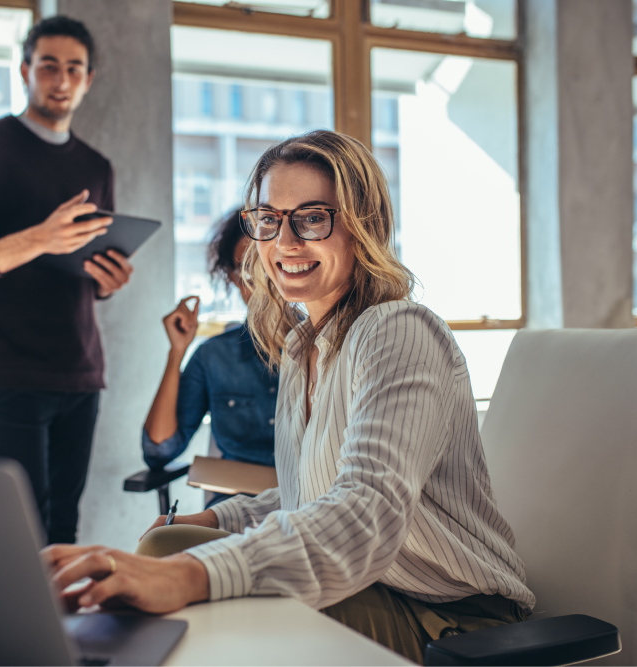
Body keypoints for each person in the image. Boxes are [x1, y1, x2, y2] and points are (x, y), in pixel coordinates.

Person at [42, 130, 534, 665]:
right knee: (166, 545)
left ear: (363, 226)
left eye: (313, 217)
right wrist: (215, 522)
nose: (285, 243)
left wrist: (192, 575)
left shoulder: (400, 331)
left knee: (206, 600)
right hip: (374, 588)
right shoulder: (302, 347)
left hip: (448, 615)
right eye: (269, 219)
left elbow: (363, 511)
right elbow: (309, 493)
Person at [0, 16, 133, 545]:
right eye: (48, 66)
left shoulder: (97, 165)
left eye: (74, 69)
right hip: (13, 371)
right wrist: (40, 237)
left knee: (64, 528)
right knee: (23, 531)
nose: (61, 80)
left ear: (89, 79)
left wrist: (108, 279)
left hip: (82, 370)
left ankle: (64, 631)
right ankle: (24, 630)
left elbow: (85, 270)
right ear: (25, 70)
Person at [142, 209, 277, 507]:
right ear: (231, 278)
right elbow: (159, 450)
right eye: (244, 271)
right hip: (231, 511)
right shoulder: (214, 356)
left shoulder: (326, 348)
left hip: (307, 510)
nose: (258, 282)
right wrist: (176, 352)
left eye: (265, 267)